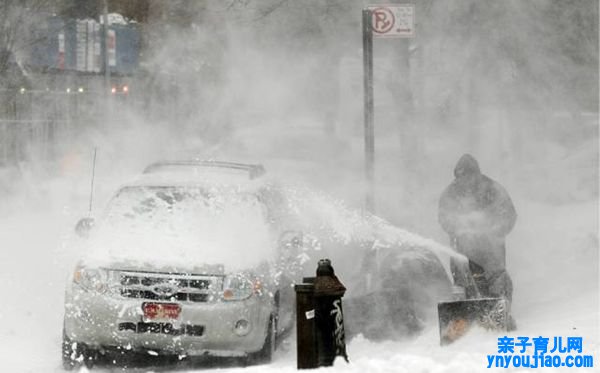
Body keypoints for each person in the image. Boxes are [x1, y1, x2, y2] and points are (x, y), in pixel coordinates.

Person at [438, 154, 517, 305]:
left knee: (496, 278)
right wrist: (458, 228)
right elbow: (444, 218)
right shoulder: (450, 194)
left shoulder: (492, 189)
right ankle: (467, 314)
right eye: (461, 177)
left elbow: (509, 214)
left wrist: (494, 230)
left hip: (491, 248)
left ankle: (500, 309)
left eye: (469, 176)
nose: (465, 181)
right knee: (462, 281)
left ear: (477, 174)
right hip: (461, 248)